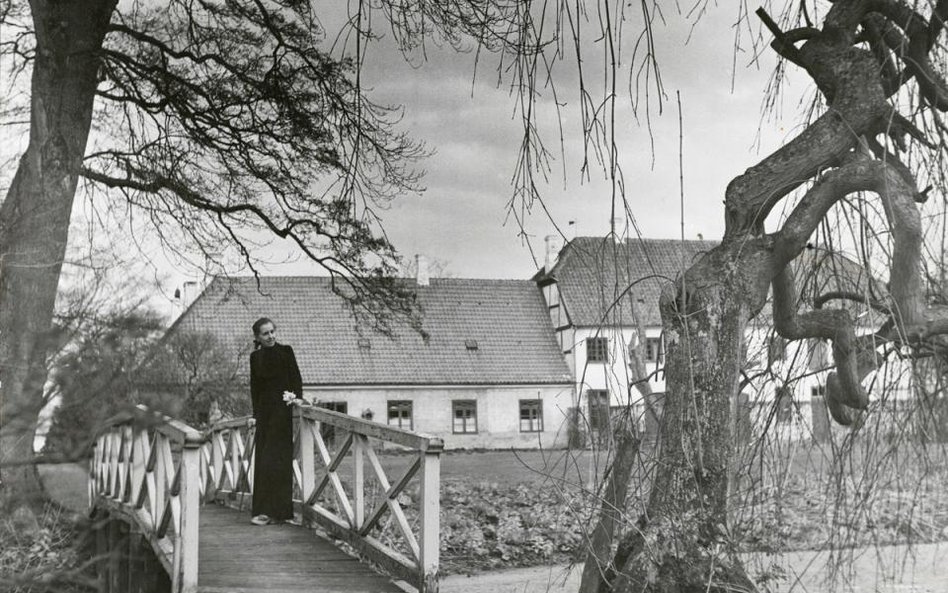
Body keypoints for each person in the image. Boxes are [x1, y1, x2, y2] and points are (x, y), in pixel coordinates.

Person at [249, 317, 303, 525]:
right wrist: (254, 415)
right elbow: (255, 388)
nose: (271, 336)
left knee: (280, 460)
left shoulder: (286, 352)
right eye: (265, 333)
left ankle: (282, 513)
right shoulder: (255, 358)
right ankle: (263, 511)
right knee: (265, 461)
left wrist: (295, 397)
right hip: (264, 415)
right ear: (257, 337)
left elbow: (296, 378)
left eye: (272, 332)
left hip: (282, 414)